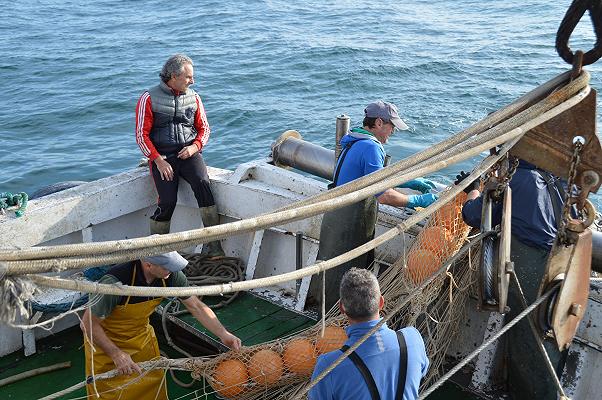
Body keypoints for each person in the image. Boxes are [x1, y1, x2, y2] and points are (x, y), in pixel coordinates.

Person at [314, 101, 438, 311]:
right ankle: (339, 323)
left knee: (333, 273)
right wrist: (416, 201)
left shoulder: (356, 140)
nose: (393, 132)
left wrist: (410, 182)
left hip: (335, 219)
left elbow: (374, 177)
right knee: (348, 277)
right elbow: (384, 195)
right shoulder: (371, 147)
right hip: (349, 225)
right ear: (379, 122)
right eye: (392, 127)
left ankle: (327, 318)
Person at [458, 159, 565, 400]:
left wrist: (473, 190)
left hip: (528, 269)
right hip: (560, 267)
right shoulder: (561, 178)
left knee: (527, 338)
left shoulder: (515, 180)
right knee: (548, 336)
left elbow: (474, 215)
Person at [81, 251, 241, 400]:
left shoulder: (171, 275)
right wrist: (116, 354)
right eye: (167, 267)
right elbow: (87, 324)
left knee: (151, 392)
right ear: (148, 264)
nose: (172, 270)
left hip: (141, 341)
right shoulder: (114, 283)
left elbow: (196, 306)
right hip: (107, 348)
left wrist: (223, 334)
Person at [135, 53, 224, 257]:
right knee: (167, 201)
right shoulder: (148, 98)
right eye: (188, 77)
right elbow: (141, 135)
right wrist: (157, 160)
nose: (193, 81)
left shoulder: (195, 97)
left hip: (189, 153)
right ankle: (157, 252)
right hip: (162, 158)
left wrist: (194, 147)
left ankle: (214, 245)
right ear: (173, 77)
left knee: (203, 185)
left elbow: (205, 129)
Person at [309, 268, 429, 400]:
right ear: (381, 302)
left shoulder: (328, 366)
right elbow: (421, 372)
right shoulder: (413, 339)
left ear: (342, 308)